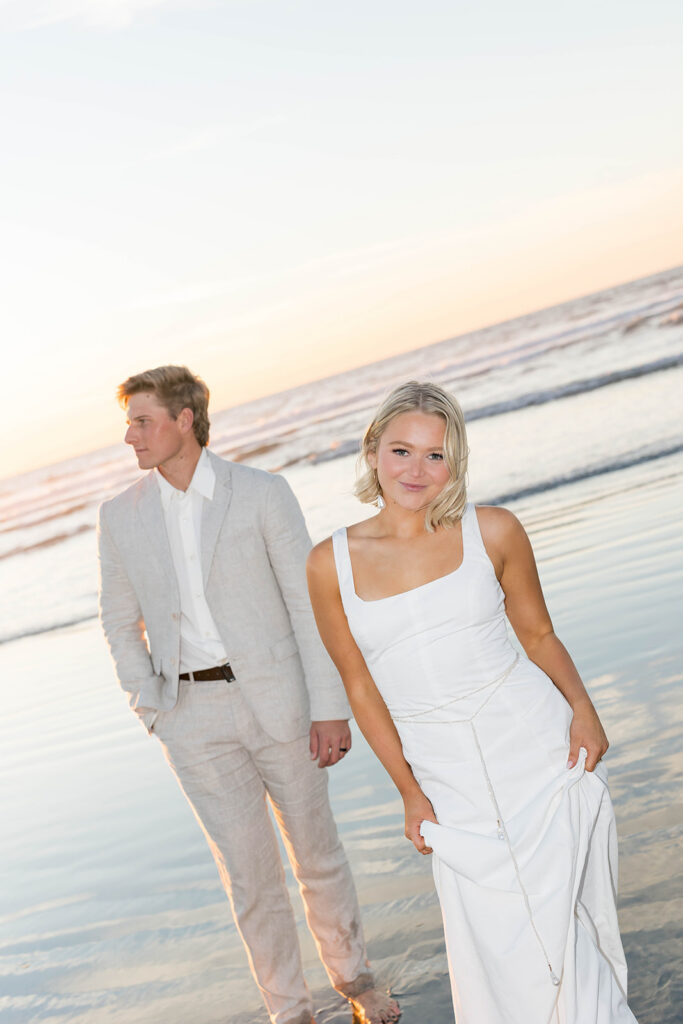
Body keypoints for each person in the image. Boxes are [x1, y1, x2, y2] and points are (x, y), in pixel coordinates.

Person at [306, 380, 639, 1024]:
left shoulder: (493, 530)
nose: (416, 470)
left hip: (535, 745)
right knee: (496, 939)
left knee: (567, 930)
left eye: (436, 455)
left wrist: (584, 709)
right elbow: (359, 686)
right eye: (402, 450)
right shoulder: (330, 564)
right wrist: (408, 789)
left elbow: (538, 633)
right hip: (442, 771)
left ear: (455, 462)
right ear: (373, 450)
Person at [97, 365, 400, 1024]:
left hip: (282, 704)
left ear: (185, 420)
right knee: (249, 877)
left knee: (317, 855)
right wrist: (152, 708)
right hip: (190, 718)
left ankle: (355, 980)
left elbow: (306, 599)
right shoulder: (120, 515)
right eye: (128, 423)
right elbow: (119, 621)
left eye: (142, 420)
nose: (130, 437)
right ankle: (288, 1012)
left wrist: (328, 706)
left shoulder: (261, 493)